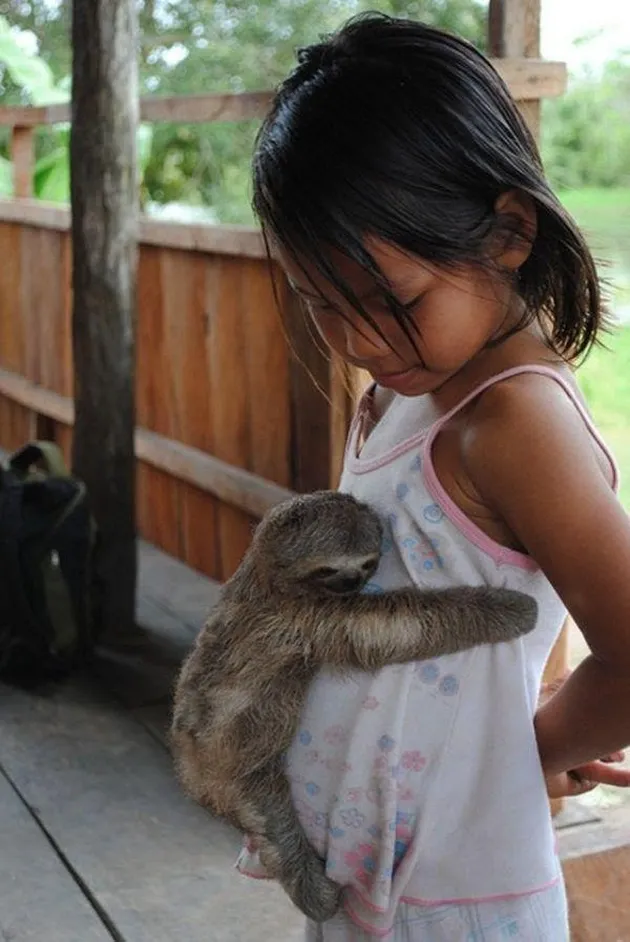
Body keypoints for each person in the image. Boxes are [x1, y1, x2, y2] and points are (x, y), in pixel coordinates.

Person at [236, 13, 630, 940]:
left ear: (507, 233)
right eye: (323, 307)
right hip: (381, 872)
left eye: (392, 302)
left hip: (464, 896)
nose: (361, 342)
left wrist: (534, 749)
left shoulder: (514, 420)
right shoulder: (409, 388)